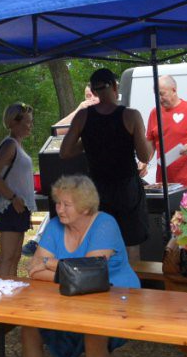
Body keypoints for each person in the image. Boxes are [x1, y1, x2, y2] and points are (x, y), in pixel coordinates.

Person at [4, 175, 138, 357]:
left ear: (86, 207)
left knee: (93, 332)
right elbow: (34, 271)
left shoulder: (104, 224)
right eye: (58, 203)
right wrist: (69, 270)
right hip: (67, 294)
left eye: (67, 204)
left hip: (115, 296)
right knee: (30, 326)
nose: (59, 209)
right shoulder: (55, 226)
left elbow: (92, 275)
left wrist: (52, 264)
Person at [61, 68, 152, 263]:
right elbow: (144, 154)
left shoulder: (83, 117)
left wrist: (88, 142)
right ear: (115, 86)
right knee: (130, 243)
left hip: (97, 188)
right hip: (126, 187)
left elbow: (65, 152)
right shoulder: (131, 116)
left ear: (93, 91)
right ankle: (131, 288)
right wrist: (150, 145)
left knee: (101, 242)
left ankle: (104, 287)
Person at [0, 103, 36, 278]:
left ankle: (12, 293)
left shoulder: (18, 145)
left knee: (15, 257)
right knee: (6, 259)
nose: (31, 126)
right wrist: (13, 197)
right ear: (14, 122)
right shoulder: (9, 145)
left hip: (20, 208)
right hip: (10, 208)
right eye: (28, 122)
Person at [143, 75, 187, 188]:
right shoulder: (154, 113)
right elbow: (151, 144)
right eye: (156, 95)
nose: (159, 98)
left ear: (174, 90)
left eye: (162, 94)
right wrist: (144, 161)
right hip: (163, 184)